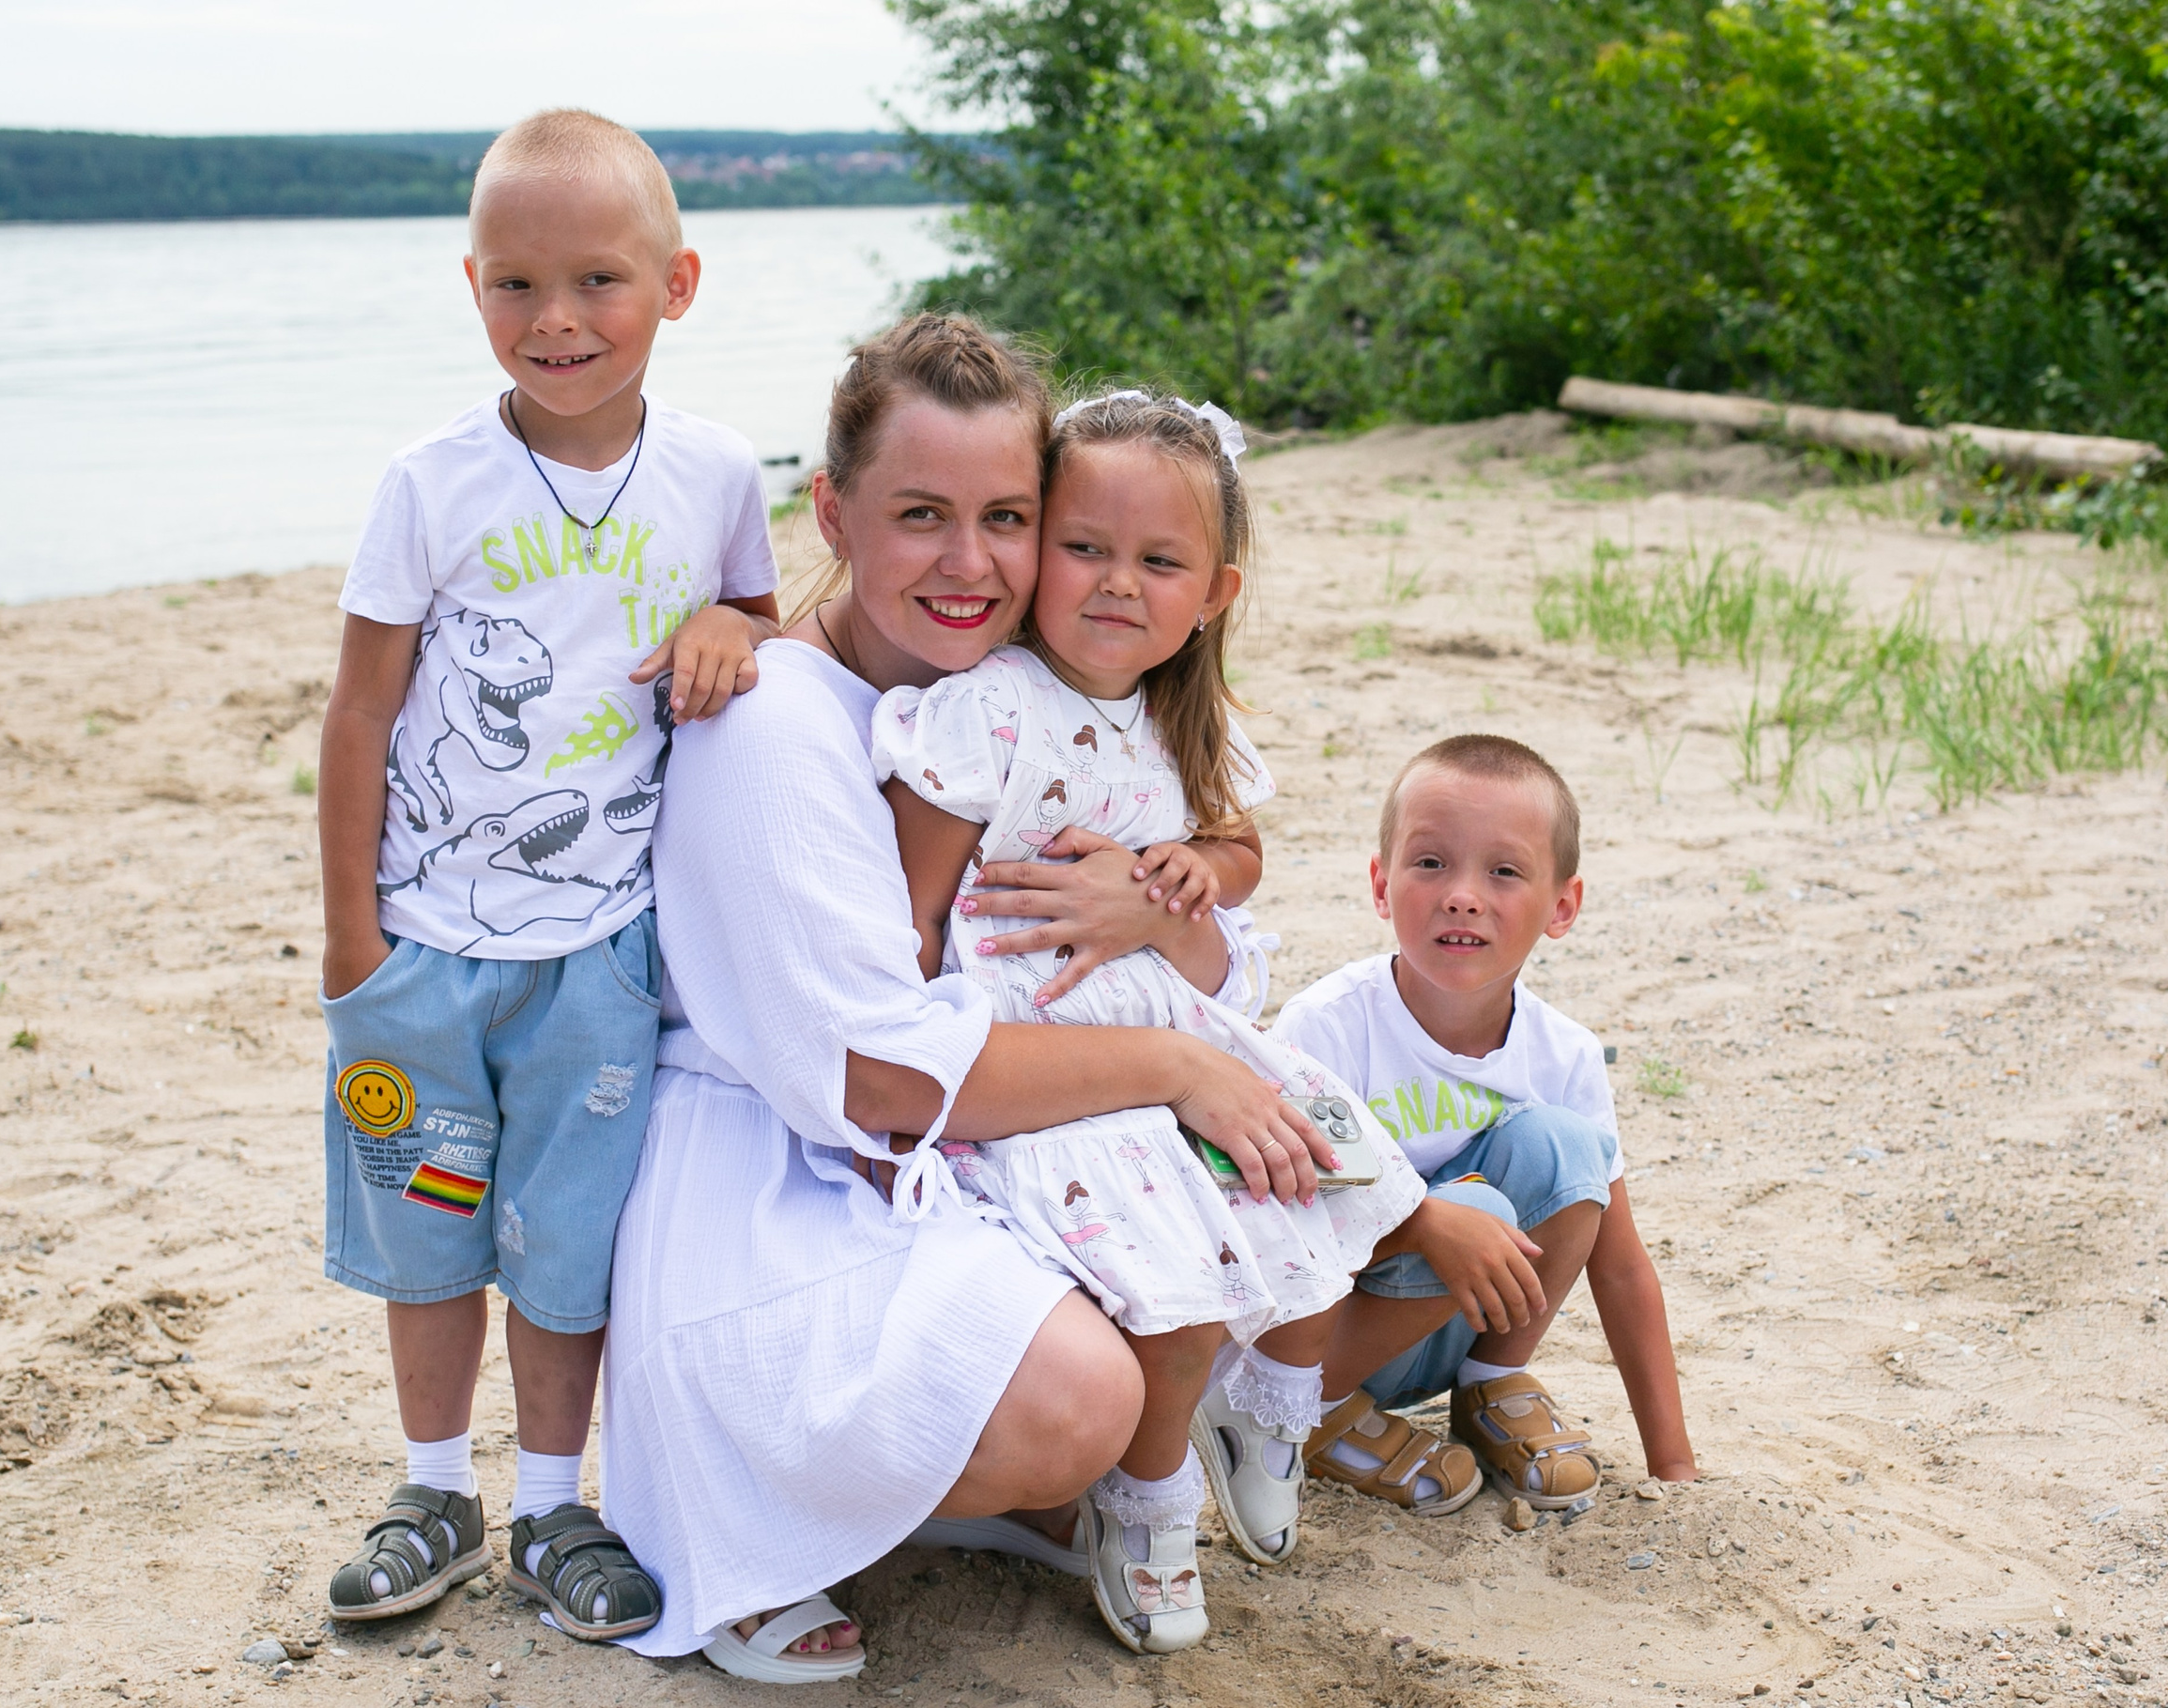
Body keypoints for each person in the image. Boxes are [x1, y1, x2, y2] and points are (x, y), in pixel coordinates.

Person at [600, 315, 1336, 1684]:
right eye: (920, 514)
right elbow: (880, 1080)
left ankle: (985, 1488)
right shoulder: (772, 725)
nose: (971, 562)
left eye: (1008, 517)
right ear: (831, 508)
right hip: (783, 1179)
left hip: (952, 1137)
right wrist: (1176, 1067)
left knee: (1238, 1221)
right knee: (1086, 1394)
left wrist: (1148, 912)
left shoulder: (998, 705)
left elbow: (1202, 919)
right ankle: (794, 1504)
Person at [314, 110, 780, 1639]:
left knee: (567, 1246)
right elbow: (362, 709)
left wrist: (737, 628)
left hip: (603, 952)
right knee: (431, 1219)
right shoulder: (430, 482)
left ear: (679, 282)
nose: (557, 321)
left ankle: (554, 1503)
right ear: (472, 288)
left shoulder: (713, 475)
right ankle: (435, 1484)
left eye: (598, 281)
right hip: (429, 950)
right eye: (516, 285)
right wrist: (348, 937)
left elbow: (774, 631)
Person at [869, 388, 1424, 1653]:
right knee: (1172, 1288)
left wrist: (1191, 877)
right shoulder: (991, 704)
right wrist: (903, 1081)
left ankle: (1270, 1408)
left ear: (1213, 590)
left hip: (1169, 1018)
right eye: (1086, 546)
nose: (1119, 583)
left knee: (1328, 1175)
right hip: (1046, 1046)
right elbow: (906, 914)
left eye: (1158, 559)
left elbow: (1238, 845)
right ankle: (1148, 1492)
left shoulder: (1187, 713)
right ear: (1037, 545)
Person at [1270, 734, 1699, 1516]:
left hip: (1452, 1328)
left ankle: (1491, 1383)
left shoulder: (1562, 1053)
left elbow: (1622, 1264)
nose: (1462, 894)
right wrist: (1427, 1224)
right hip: (1319, 1344)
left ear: (1561, 905)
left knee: (1566, 1148)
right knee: (1473, 1208)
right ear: (1380, 882)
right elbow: (1283, 1238)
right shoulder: (1326, 1029)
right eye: (1430, 862)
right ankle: (1315, 1417)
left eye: (1503, 871)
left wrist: (1673, 1464)